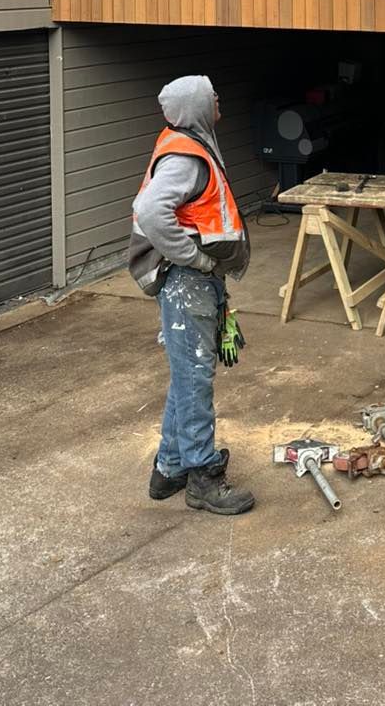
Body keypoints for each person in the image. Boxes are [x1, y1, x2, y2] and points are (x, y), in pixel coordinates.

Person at [130, 75, 255, 514]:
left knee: (187, 374)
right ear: (197, 105)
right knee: (195, 378)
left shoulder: (192, 143)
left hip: (193, 281)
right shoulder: (186, 155)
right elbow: (149, 211)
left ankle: (169, 469)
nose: (218, 99)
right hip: (187, 281)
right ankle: (204, 477)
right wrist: (195, 260)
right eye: (212, 95)